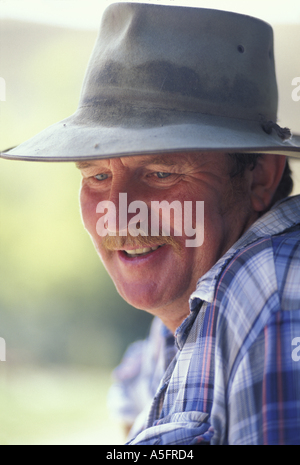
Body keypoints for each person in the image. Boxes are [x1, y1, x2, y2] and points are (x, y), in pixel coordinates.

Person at [2, 2, 300, 445]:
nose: (120, 213)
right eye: (98, 176)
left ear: (259, 177)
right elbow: (138, 378)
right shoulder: (195, 303)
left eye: (162, 174)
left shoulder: (268, 290)